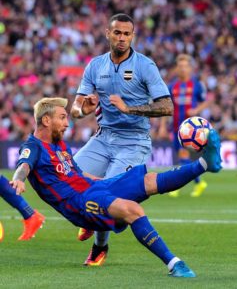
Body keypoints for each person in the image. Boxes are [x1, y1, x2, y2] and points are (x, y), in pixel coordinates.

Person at [8, 97, 221, 278]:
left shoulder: (59, 145)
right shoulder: (33, 146)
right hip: (79, 203)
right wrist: (19, 179)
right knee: (133, 210)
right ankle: (175, 264)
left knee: (147, 181)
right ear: (46, 120)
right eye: (62, 118)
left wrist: (107, 182)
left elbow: (77, 174)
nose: (67, 124)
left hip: (93, 187)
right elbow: (24, 165)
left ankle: (204, 164)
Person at [70, 13, 174, 266]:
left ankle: (99, 248)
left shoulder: (145, 66)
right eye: (117, 32)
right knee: (70, 176)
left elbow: (167, 106)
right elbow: (75, 108)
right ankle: (91, 220)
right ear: (108, 33)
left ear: (133, 36)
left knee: (109, 193)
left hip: (134, 140)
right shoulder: (95, 65)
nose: (122, 38)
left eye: (127, 34)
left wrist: (131, 109)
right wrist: (83, 109)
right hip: (103, 138)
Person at [159, 54, 209, 198]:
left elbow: (207, 100)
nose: (182, 69)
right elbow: (166, 108)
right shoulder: (172, 86)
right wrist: (162, 126)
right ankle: (198, 182)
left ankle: (177, 185)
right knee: (182, 157)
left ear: (190, 68)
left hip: (191, 130)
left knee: (183, 155)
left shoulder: (196, 85)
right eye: (180, 66)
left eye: (185, 66)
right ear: (177, 68)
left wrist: (197, 110)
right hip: (175, 128)